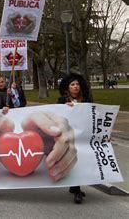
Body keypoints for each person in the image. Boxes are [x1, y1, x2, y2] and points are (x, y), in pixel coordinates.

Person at [57, 73, 91, 204]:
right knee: (74, 160)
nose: (75, 87)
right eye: (72, 85)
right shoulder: (61, 101)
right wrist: (65, 108)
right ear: (67, 88)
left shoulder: (85, 100)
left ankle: (74, 186)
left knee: (82, 161)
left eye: (77, 84)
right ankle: (77, 191)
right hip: (68, 136)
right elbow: (56, 116)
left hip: (82, 135)